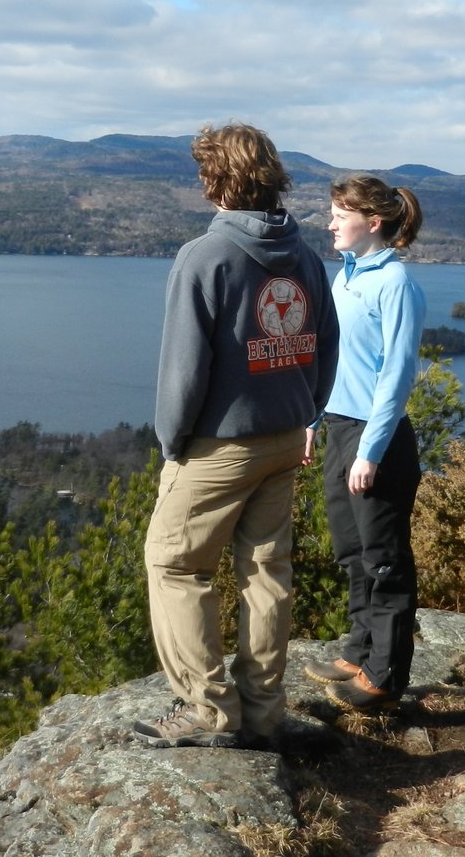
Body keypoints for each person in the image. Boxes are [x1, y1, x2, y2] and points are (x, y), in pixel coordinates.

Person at [133, 122, 340, 749]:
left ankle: (208, 710)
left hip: (220, 447)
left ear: (213, 179)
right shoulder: (303, 255)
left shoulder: (205, 256)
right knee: (266, 570)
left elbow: (183, 369)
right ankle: (264, 711)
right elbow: (326, 347)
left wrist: (173, 444)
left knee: (173, 563)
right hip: (284, 436)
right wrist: (307, 412)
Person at [303, 174, 427, 713]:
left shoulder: (394, 284)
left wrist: (370, 452)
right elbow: (332, 359)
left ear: (371, 222)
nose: (329, 223)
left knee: (385, 560)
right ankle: (358, 652)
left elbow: (396, 377)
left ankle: (385, 677)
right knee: (352, 552)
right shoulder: (346, 276)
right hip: (338, 426)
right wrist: (311, 419)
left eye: (338, 214)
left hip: (377, 437)